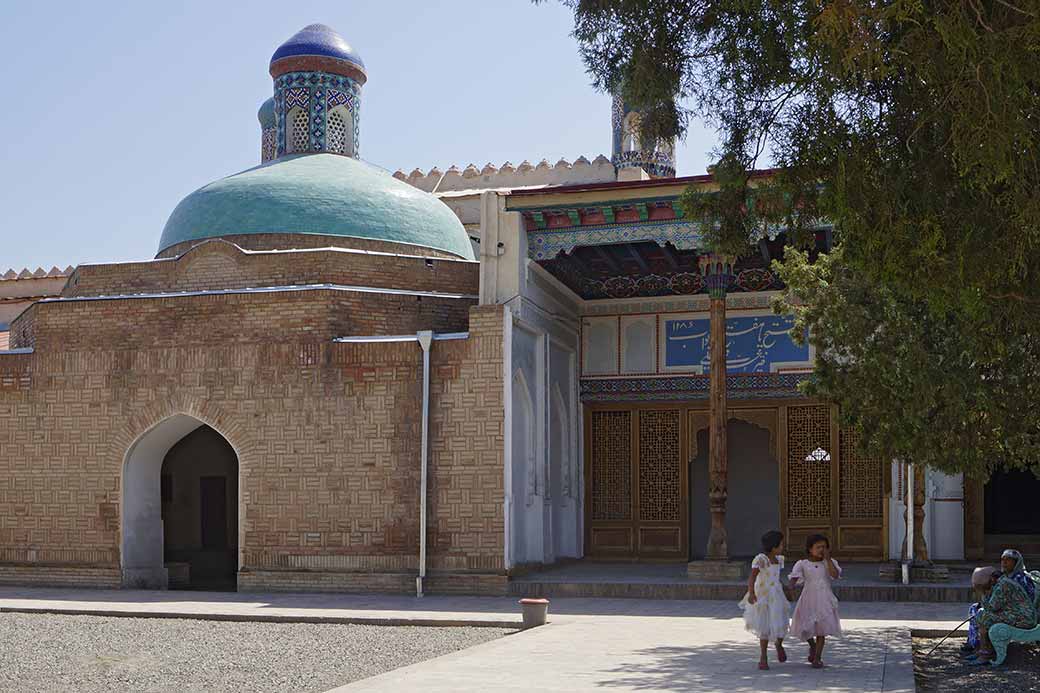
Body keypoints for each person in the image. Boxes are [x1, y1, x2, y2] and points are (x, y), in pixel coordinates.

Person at [970, 549, 1040, 664]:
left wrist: (983, 593)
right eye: (1003, 560)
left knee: (984, 617)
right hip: (1019, 614)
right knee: (982, 614)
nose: (1004, 563)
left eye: (1008, 560)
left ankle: (985, 654)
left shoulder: (1005, 583)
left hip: (1024, 618)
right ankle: (982, 650)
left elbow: (992, 607)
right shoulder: (1004, 581)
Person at [739, 530, 792, 670]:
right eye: (781, 544)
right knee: (764, 625)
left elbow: (776, 577)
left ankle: (779, 644)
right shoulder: (761, 559)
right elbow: (752, 577)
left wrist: (785, 589)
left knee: (780, 621)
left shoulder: (779, 560)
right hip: (763, 595)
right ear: (774, 546)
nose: (783, 547)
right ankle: (763, 656)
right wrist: (751, 593)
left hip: (777, 595)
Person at [789, 534, 842, 668]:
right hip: (808, 598)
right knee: (805, 626)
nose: (821, 550)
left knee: (821, 629)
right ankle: (812, 646)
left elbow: (835, 575)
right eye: (818, 547)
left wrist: (828, 559)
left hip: (824, 599)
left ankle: (817, 658)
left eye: (824, 547)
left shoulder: (829, 563)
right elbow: (794, 578)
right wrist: (790, 588)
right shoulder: (802, 564)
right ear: (810, 549)